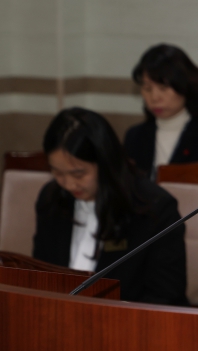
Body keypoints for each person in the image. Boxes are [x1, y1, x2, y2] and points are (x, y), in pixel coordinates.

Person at [33, 107, 188, 305]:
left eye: (79, 174)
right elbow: (39, 276)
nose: (69, 184)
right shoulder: (52, 198)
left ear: (106, 163)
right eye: (57, 173)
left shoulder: (154, 208)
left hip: (127, 320)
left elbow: (165, 296)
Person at [124, 44, 198, 178]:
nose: (154, 97)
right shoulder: (134, 136)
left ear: (184, 87)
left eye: (163, 88)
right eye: (147, 89)